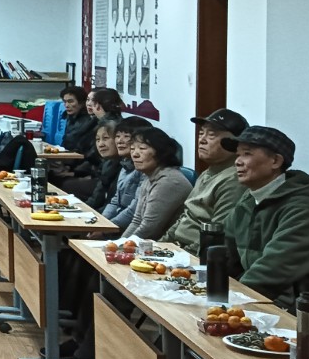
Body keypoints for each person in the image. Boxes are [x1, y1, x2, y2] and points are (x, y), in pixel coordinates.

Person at [224, 125, 309, 308]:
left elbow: (269, 275)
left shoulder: (305, 210)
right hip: (254, 299)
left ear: (276, 161)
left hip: (290, 310)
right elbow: (226, 255)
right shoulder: (249, 200)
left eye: (247, 154)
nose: (237, 161)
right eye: (238, 155)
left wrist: (226, 304)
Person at [160, 108, 249, 254]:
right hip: (177, 249)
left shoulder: (234, 181)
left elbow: (216, 235)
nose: (202, 140)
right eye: (201, 133)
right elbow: (185, 216)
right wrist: (161, 246)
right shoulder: (208, 172)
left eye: (211, 135)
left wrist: (178, 256)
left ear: (235, 143)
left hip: (194, 255)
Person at [119, 127, 192, 240]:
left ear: (161, 152)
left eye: (142, 148)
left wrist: (122, 246)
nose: (134, 154)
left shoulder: (169, 181)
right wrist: (120, 243)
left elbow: (148, 229)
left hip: (168, 245)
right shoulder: (149, 177)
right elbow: (137, 221)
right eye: (132, 149)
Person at [100, 116, 154, 231]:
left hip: (129, 228)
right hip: (116, 223)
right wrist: (102, 223)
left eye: (126, 136)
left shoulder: (145, 169)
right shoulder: (125, 163)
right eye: (117, 136)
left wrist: (106, 229)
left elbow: (134, 210)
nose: (120, 141)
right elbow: (115, 201)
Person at [58, 86, 96, 157]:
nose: (66, 105)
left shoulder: (89, 121)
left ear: (81, 103)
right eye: (65, 102)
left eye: (70, 101)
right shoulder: (70, 117)